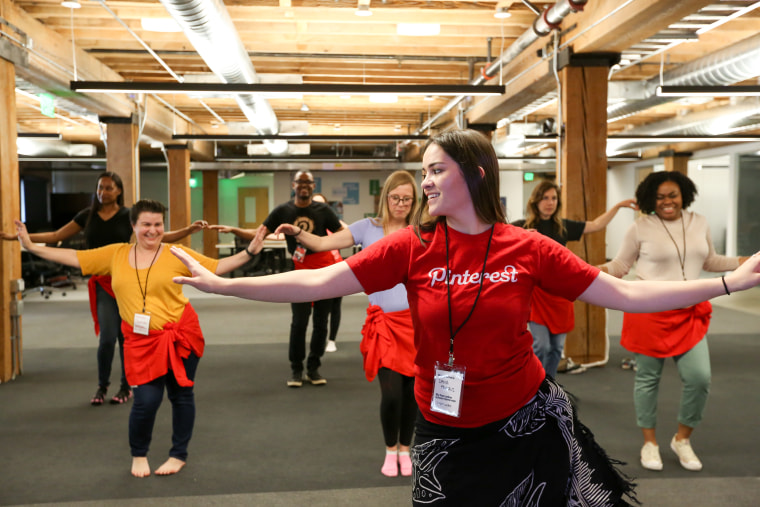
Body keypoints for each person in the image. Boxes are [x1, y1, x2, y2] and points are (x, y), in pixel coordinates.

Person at [171, 129, 760, 506]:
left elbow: (624, 295)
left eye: (436, 171)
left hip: (526, 419)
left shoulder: (525, 247)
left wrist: (732, 281)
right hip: (446, 425)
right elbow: (319, 279)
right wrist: (224, 286)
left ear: (474, 175)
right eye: (423, 171)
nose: (424, 182)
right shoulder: (412, 247)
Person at [14, 199, 262, 478]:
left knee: (181, 395)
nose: (153, 230)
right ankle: (139, 454)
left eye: (158, 224)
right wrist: (32, 246)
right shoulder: (115, 254)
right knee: (146, 400)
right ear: (133, 226)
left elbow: (216, 268)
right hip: (140, 341)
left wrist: (251, 250)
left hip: (180, 335)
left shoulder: (177, 253)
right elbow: (74, 257)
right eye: (146, 224)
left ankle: (178, 454)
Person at [1, 172, 205, 406]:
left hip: (128, 282)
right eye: (100, 188)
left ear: (119, 191)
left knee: (126, 335)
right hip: (102, 284)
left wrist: (187, 231)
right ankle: (102, 386)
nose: (103, 192)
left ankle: (126, 385)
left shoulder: (129, 215)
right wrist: (19, 238)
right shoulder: (87, 216)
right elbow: (57, 235)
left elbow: (157, 236)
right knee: (107, 338)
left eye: (108, 188)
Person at [600, 171, 748, 473]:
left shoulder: (700, 222)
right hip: (649, 310)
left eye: (673, 195)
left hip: (689, 311)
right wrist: (584, 271)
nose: (667, 201)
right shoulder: (640, 227)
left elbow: (709, 261)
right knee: (647, 380)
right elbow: (620, 265)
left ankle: (682, 439)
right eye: (660, 197)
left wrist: (743, 262)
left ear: (684, 195)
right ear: (650, 200)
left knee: (699, 378)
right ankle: (650, 442)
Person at [276, 171, 419, 477]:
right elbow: (322, 242)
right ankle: (389, 449)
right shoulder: (368, 228)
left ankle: (406, 449)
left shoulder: (422, 230)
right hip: (385, 325)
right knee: (391, 393)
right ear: (385, 198)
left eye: (407, 199)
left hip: (418, 324)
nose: (401, 204)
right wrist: (296, 232)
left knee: (412, 394)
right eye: (395, 198)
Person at [209, 171, 343, 387]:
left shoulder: (323, 210)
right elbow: (260, 232)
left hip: (325, 272)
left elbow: (340, 235)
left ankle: (314, 368)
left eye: (308, 183)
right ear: (293, 185)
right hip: (300, 273)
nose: (304, 186)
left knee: (321, 323)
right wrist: (235, 230)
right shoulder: (283, 211)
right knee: (299, 322)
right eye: (300, 182)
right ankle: (297, 369)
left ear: (313, 185)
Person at [512, 180, 637, 378]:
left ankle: (549, 386)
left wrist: (618, 206)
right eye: (545, 198)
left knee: (556, 348)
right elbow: (495, 235)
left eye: (553, 198)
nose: (549, 203)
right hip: (538, 296)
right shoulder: (521, 227)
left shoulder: (563, 227)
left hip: (561, 294)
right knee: (541, 346)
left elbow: (596, 225)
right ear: (535, 201)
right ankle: (533, 384)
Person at [312, 193, 347, 353]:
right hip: (315, 271)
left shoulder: (334, 223)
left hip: (336, 270)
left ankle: (331, 339)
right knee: (319, 311)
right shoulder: (309, 224)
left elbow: (350, 231)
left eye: (322, 205)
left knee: (335, 306)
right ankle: (318, 339)